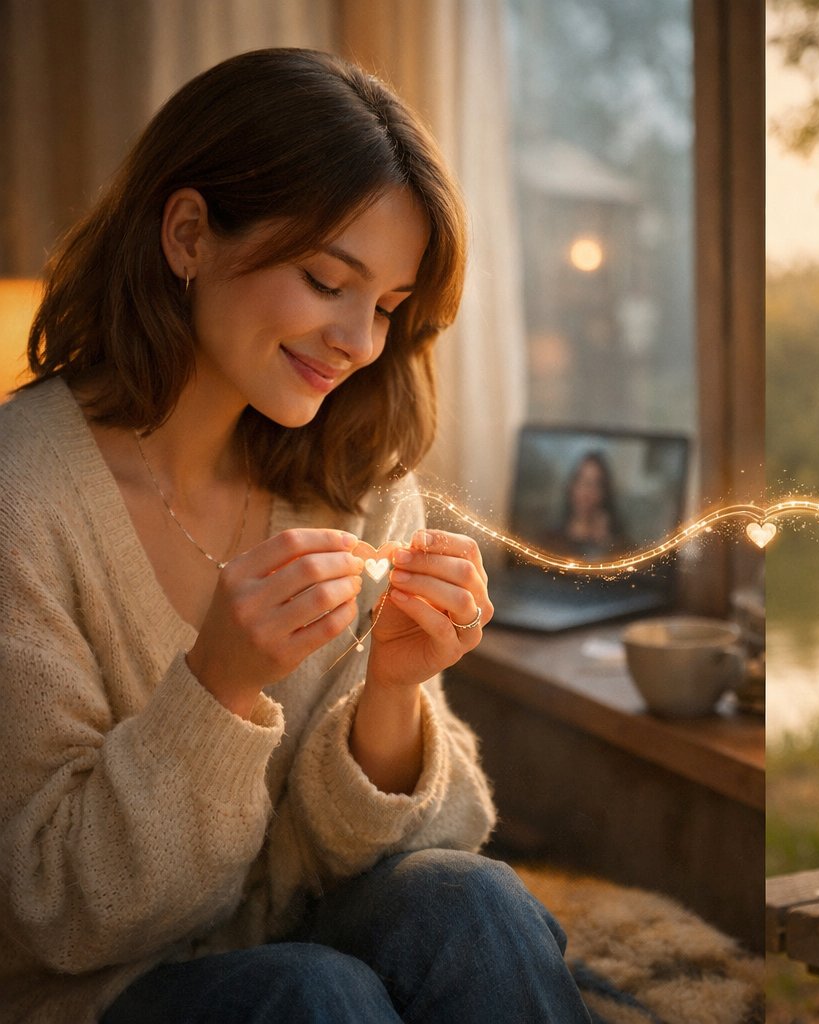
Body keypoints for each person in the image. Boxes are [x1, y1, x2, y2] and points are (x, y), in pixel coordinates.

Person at [0, 49, 591, 1023]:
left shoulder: (359, 484)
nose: (360, 342)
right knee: (315, 993)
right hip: (97, 992)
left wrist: (393, 691)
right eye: (326, 280)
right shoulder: (23, 499)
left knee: (476, 904)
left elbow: (398, 854)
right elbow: (55, 912)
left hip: (307, 933)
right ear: (188, 235)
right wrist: (218, 686)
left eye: (388, 307)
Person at [545, 449, 629, 556]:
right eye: (582, 481)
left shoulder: (619, 544)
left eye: (595, 484)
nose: (587, 493)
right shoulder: (551, 540)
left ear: (604, 493)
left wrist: (606, 544)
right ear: (571, 487)